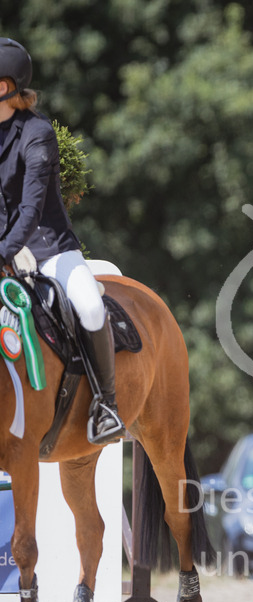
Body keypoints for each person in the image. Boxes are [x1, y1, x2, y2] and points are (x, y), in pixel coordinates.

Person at [0, 38, 125, 445]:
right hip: (4, 254)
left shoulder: (36, 134)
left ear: (3, 87)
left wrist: (2, 251)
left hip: (48, 250)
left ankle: (106, 405)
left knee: (90, 307)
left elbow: (31, 209)